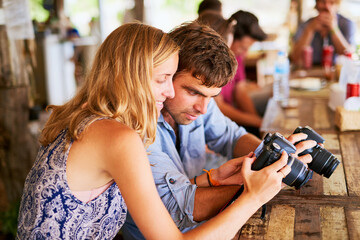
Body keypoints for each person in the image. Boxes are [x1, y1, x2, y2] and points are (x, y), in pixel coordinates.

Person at [16, 22, 293, 240]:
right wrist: (252, 195)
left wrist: (212, 179)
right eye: (163, 79)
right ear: (130, 76)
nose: (169, 90)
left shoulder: (88, 117)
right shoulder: (119, 136)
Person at [122, 21, 316, 240]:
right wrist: (258, 187)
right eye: (193, 92)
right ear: (168, 71)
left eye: (211, 97)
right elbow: (179, 209)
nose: (203, 109)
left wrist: (276, 156)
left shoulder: (199, 104)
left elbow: (232, 137)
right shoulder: (135, 130)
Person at [213, 10, 271, 136]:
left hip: (233, 113)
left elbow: (240, 92)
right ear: (230, 37)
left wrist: (259, 123)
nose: (245, 53)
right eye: (243, 48)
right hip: (219, 122)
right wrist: (257, 122)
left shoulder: (237, 57)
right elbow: (219, 107)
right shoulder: (216, 62)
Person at [291, 0, 356, 66]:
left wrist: (334, 29)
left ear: (337, 5)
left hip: (337, 72)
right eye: (323, 2)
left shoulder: (347, 23)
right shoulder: (305, 25)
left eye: (332, 3)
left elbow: (349, 55)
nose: (327, 7)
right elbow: (294, 57)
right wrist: (310, 30)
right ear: (316, 4)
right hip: (310, 72)